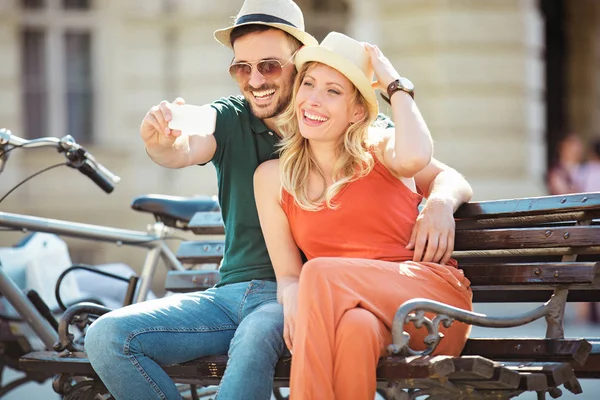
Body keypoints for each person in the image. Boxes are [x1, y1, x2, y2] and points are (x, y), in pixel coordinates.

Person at [85, 0, 472, 398]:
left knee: (283, 310)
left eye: (269, 66)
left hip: (320, 294)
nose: (254, 80)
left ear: (298, 63)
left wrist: (439, 201)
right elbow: (186, 142)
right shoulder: (248, 137)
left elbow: (431, 167)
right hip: (241, 293)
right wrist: (165, 134)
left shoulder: (367, 133)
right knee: (105, 337)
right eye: (241, 68)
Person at [254, 32, 473, 400]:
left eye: (333, 91)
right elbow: (289, 276)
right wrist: (292, 296)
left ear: (357, 111)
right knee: (355, 328)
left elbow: (428, 164)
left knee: (320, 271)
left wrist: (397, 87)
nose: (313, 99)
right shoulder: (271, 178)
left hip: (428, 305)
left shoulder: (383, 149)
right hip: (355, 311)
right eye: (308, 84)